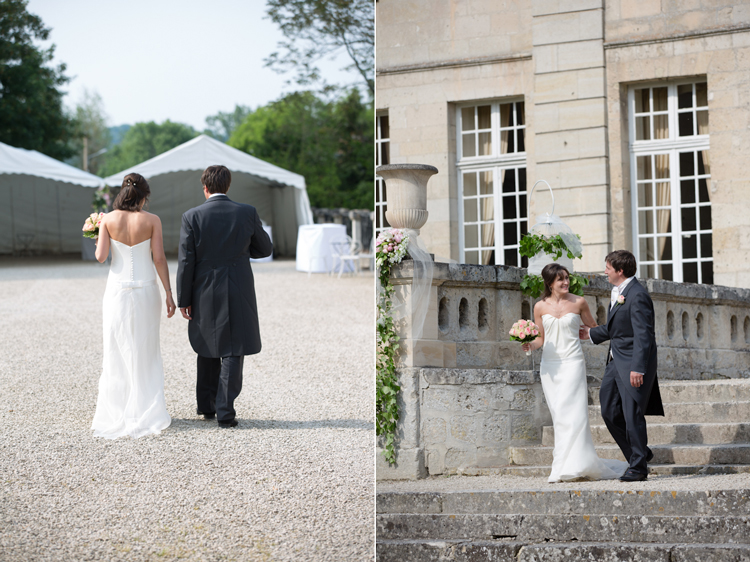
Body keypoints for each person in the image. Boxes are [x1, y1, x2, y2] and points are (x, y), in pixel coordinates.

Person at [176, 165, 273, 428]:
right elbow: (265, 249)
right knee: (233, 347)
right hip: (237, 284)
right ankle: (225, 412)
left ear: (204, 187)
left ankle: (207, 406)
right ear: (228, 186)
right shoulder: (247, 212)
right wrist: (240, 253)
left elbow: (186, 262)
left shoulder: (191, 216)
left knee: (207, 342)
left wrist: (183, 299)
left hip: (203, 287)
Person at [522, 263, 628, 482]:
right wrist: (529, 344)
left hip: (573, 363)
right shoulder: (539, 307)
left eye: (567, 278)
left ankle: (576, 465)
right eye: (560, 279)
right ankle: (563, 465)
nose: (566, 282)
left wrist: (588, 334)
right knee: (559, 415)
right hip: (550, 366)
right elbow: (540, 338)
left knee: (576, 414)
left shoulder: (579, 302)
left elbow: (596, 329)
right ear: (550, 282)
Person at [91, 173, 174, 439]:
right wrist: (169, 293)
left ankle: (117, 409)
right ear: (144, 197)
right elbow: (159, 258)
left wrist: (97, 235)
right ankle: (146, 408)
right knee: (146, 349)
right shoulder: (152, 220)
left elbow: (101, 256)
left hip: (116, 291)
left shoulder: (108, 219)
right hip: (146, 289)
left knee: (115, 348)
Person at [580, 250, 664, 482]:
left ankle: (638, 468)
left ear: (620, 271)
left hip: (632, 364)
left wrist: (639, 368)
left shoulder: (637, 295)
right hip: (615, 361)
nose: (604, 271)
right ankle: (641, 453)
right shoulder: (619, 292)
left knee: (632, 414)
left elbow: (643, 335)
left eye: (607, 267)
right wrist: (591, 333)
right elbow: (618, 328)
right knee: (608, 411)